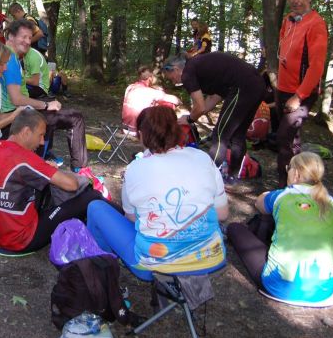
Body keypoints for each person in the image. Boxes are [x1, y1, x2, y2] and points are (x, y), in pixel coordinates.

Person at [86, 106, 228, 280]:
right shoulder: (202, 157)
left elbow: (132, 218)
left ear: (141, 135)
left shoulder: (135, 168)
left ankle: (101, 272)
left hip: (155, 267)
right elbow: (222, 214)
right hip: (213, 259)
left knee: (95, 207)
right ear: (176, 129)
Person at [226, 152, 333, 307]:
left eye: (289, 168)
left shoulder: (281, 196)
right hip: (324, 292)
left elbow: (259, 204)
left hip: (278, 287)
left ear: (296, 174)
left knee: (235, 228)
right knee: (332, 230)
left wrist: (269, 195)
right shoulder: (330, 201)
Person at [0, 109, 110, 253]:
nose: (41, 142)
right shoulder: (24, 158)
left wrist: (43, 168)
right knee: (91, 196)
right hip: (22, 240)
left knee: (44, 183)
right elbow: (72, 185)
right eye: (40, 135)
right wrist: (50, 169)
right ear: (26, 132)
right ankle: (121, 228)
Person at [0, 19, 88, 171]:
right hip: (13, 117)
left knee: (49, 113)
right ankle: (80, 170)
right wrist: (46, 105)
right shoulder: (10, 59)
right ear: (11, 36)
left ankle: (42, 159)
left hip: (14, 112)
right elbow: (16, 99)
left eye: (29, 37)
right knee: (75, 118)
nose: (28, 41)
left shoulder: (7, 55)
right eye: (23, 37)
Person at [163, 53, 265, 184]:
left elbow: (199, 107)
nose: (174, 82)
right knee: (237, 135)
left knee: (220, 136)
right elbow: (212, 98)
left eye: (172, 78)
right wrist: (193, 116)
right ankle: (232, 177)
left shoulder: (187, 73)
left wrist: (189, 119)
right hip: (257, 84)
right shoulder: (201, 66)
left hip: (242, 87)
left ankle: (206, 178)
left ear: (176, 69)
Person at [275, 0, 328, 186]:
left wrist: (299, 96)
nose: (296, 0)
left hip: (301, 92)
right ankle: (297, 184)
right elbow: (283, 49)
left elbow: (317, 66)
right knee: (291, 140)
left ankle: (285, 188)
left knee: (283, 138)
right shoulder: (288, 20)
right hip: (283, 88)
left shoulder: (316, 24)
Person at [121, 65, 180, 131]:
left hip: (126, 127)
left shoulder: (130, 87)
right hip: (139, 130)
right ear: (150, 78)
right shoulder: (151, 92)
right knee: (167, 106)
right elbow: (176, 100)